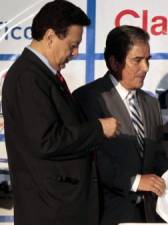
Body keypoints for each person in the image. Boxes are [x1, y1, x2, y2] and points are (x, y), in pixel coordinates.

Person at [1, 1, 118, 225]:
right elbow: (46, 140)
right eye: (72, 45)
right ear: (50, 36)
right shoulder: (28, 77)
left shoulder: (41, 74)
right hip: (50, 212)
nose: (75, 53)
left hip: (59, 208)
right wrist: (98, 129)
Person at [73, 25, 168, 225]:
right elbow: (89, 159)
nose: (145, 68)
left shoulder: (151, 103)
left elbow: (159, 157)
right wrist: (134, 181)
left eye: (147, 60)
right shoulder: (88, 98)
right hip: (108, 214)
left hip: (150, 215)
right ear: (115, 62)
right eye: (137, 60)